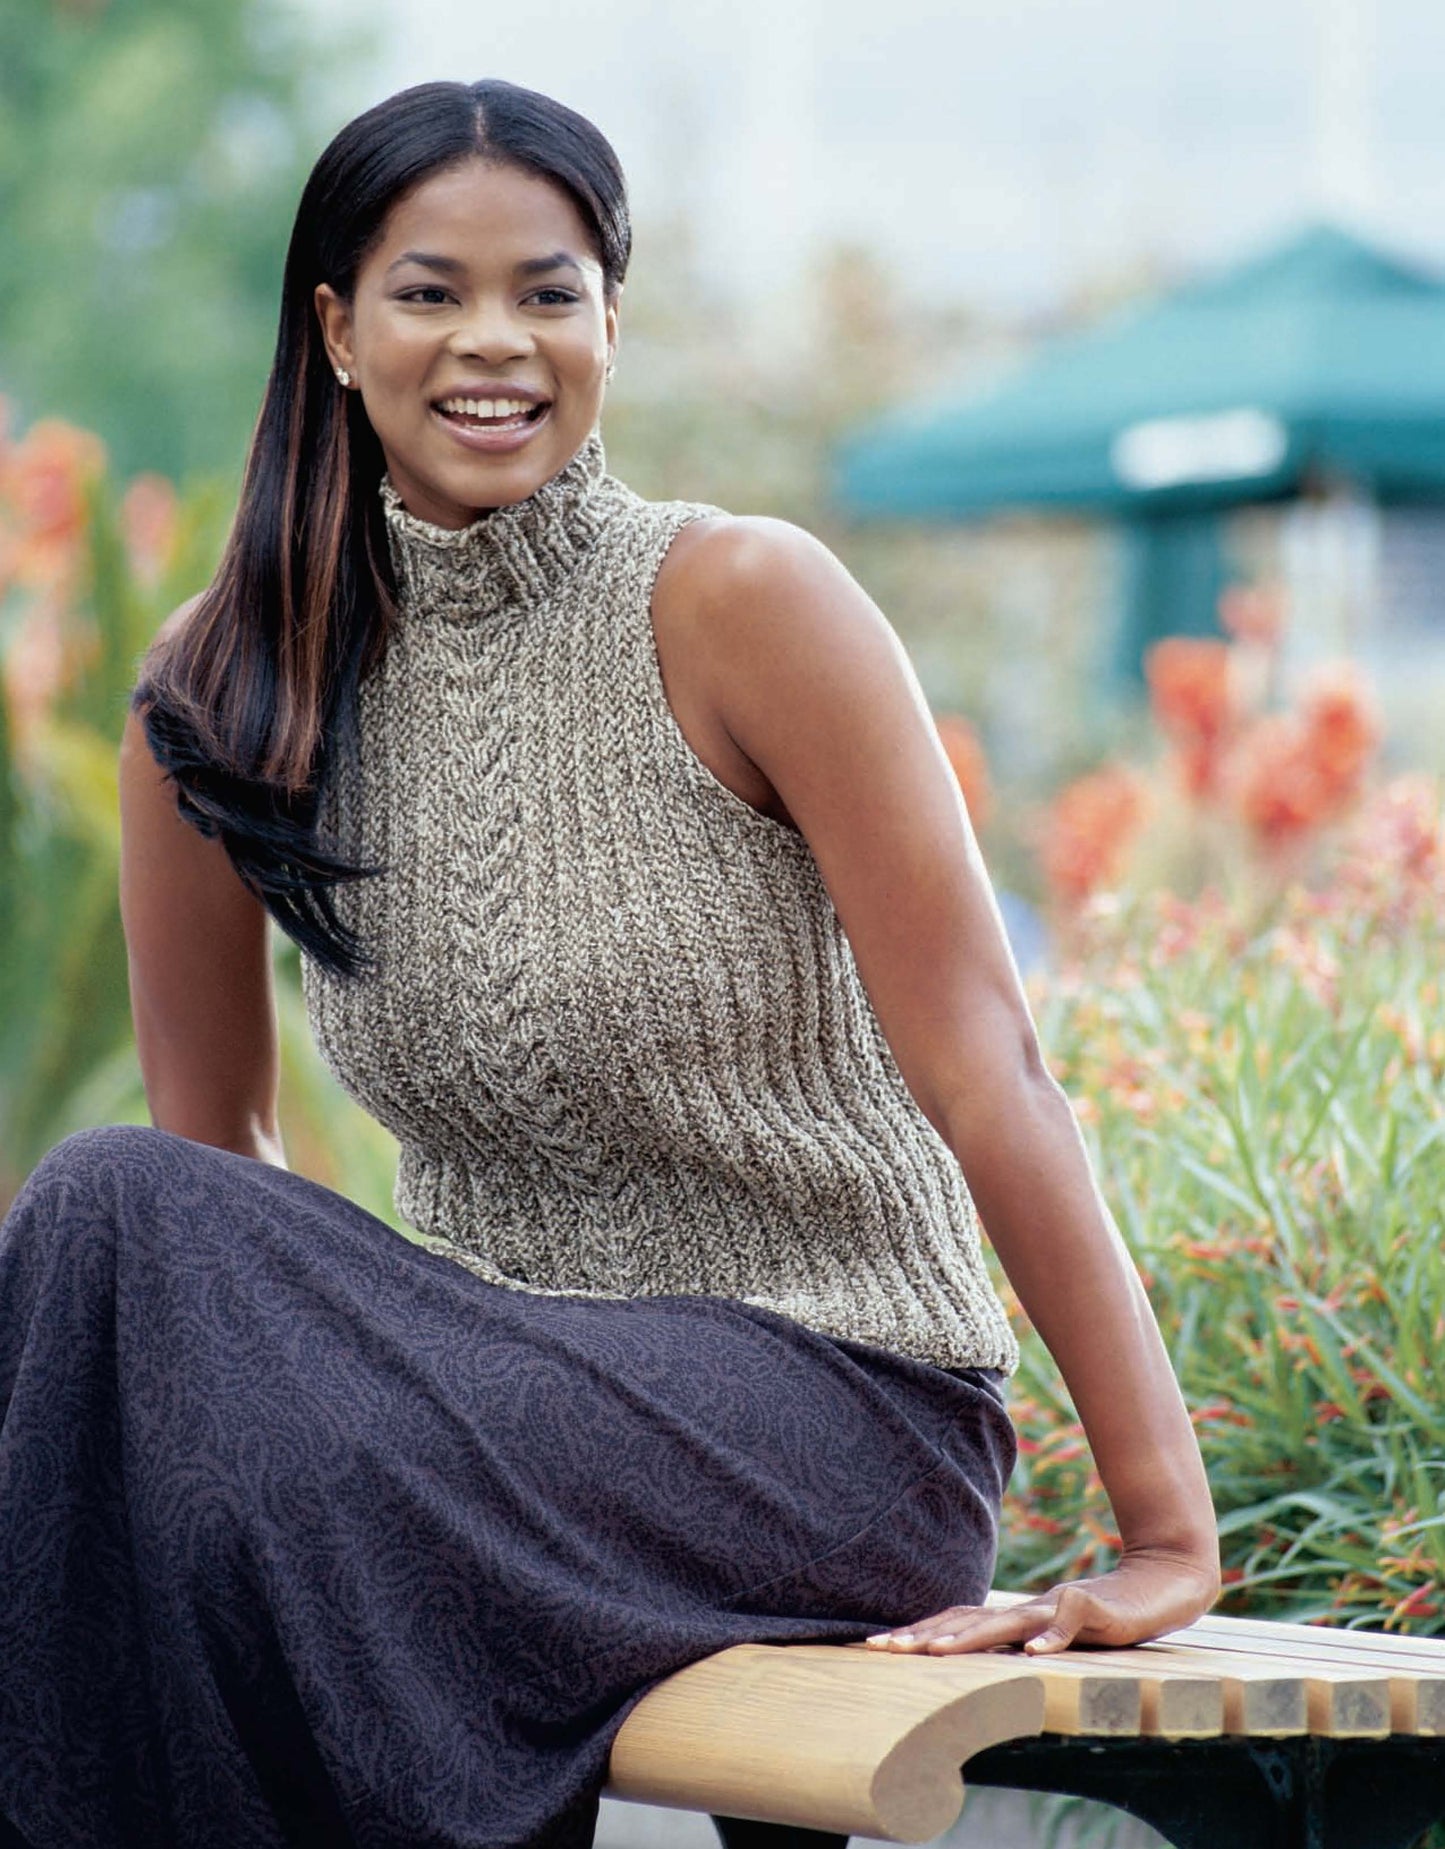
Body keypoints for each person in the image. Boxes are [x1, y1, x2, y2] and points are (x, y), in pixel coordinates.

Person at [0, 77, 1220, 1849]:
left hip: (829, 1411)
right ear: (335, 331)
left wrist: (1163, 1530)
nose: (493, 342)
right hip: (502, 1420)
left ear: (610, 326)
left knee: (167, 1293)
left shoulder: (741, 603)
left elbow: (989, 1068)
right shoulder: (227, 684)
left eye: (547, 293)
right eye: (431, 292)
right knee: (119, 1236)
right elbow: (216, 1174)